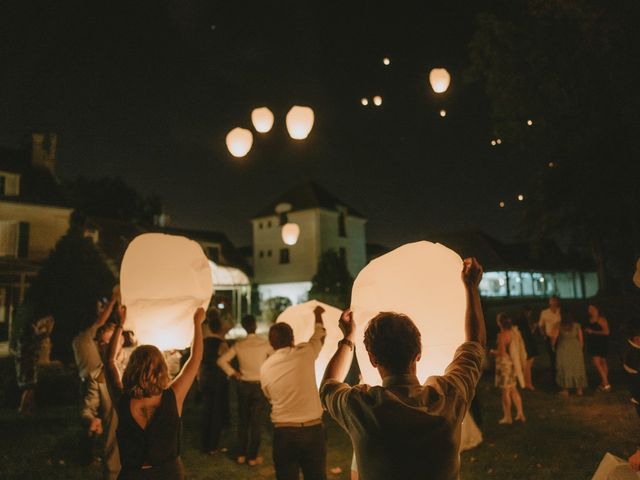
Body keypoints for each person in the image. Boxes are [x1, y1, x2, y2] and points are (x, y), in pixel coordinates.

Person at [320, 258, 485, 480]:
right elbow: (475, 344)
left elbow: (328, 385)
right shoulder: (448, 396)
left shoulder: (360, 407)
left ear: (372, 359)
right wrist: (471, 287)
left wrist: (348, 339)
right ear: (419, 352)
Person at [104, 305, 206, 480]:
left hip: (132, 474)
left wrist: (120, 324)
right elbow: (195, 359)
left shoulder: (122, 400)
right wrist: (197, 323)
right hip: (169, 474)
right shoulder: (173, 396)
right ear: (161, 369)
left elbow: (109, 362)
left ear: (131, 368)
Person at [260, 305, 327, 480]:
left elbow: (268, 395)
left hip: (284, 432)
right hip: (312, 429)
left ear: (271, 343)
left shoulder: (265, 367)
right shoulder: (305, 352)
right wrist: (318, 315)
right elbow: (320, 336)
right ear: (292, 338)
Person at [72, 291, 120, 478]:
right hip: (95, 379)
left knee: (94, 418)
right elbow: (102, 320)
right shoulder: (86, 336)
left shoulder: (77, 339)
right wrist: (114, 300)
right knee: (97, 418)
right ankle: (87, 456)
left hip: (87, 379)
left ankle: (88, 455)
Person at [217, 314, 273, 466]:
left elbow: (221, 361)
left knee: (243, 421)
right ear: (255, 325)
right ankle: (252, 457)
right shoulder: (265, 344)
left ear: (243, 327)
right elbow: (276, 359)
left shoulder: (239, 345)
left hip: (243, 385)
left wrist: (233, 373)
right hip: (259, 385)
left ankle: (241, 455)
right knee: (256, 422)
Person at [199, 309, 230, 455]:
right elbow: (225, 363)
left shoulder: (203, 343)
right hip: (217, 381)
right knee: (216, 413)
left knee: (206, 411)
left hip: (205, 378)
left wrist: (199, 378)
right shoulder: (222, 345)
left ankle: (205, 443)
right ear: (221, 328)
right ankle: (213, 446)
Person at [15, 315, 55, 417]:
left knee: (31, 387)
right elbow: (40, 337)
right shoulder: (29, 340)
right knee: (29, 387)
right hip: (27, 366)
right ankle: (23, 408)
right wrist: (47, 329)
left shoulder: (24, 340)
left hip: (26, 365)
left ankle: (32, 409)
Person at [490, 313, 526, 424]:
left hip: (504, 366)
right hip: (511, 365)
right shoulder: (513, 333)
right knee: (513, 390)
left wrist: (492, 352)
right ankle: (520, 414)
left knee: (505, 392)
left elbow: (502, 353)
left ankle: (508, 417)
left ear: (499, 322)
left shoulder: (502, 335)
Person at [551, 307, 587, 396]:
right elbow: (581, 339)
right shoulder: (577, 325)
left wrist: (553, 346)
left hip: (563, 348)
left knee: (564, 368)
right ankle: (579, 389)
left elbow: (554, 338)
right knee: (577, 368)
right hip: (575, 348)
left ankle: (565, 390)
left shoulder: (558, 325)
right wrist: (580, 349)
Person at [585, 304, 611, 391]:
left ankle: (606, 382)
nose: (590, 310)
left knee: (599, 363)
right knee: (600, 363)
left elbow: (606, 332)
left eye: (592, 308)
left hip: (600, 343)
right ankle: (604, 383)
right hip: (593, 343)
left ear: (597, 309)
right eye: (589, 309)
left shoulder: (601, 319)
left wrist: (593, 332)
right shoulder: (590, 320)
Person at [516, 305, 539, 390]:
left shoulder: (522, 321)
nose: (530, 314)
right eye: (529, 312)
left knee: (527, 365)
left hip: (527, 344)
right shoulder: (523, 322)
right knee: (527, 365)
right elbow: (526, 334)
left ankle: (526, 382)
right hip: (528, 345)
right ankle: (527, 383)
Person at [539, 295, 561, 381]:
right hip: (549, 337)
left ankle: (561, 375)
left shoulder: (560, 312)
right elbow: (541, 325)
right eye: (552, 301)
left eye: (555, 301)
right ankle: (554, 377)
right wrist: (544, 335)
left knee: (560, 356)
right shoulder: (545, 313)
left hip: (560, 337)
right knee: (552, 357)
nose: (553, 302)